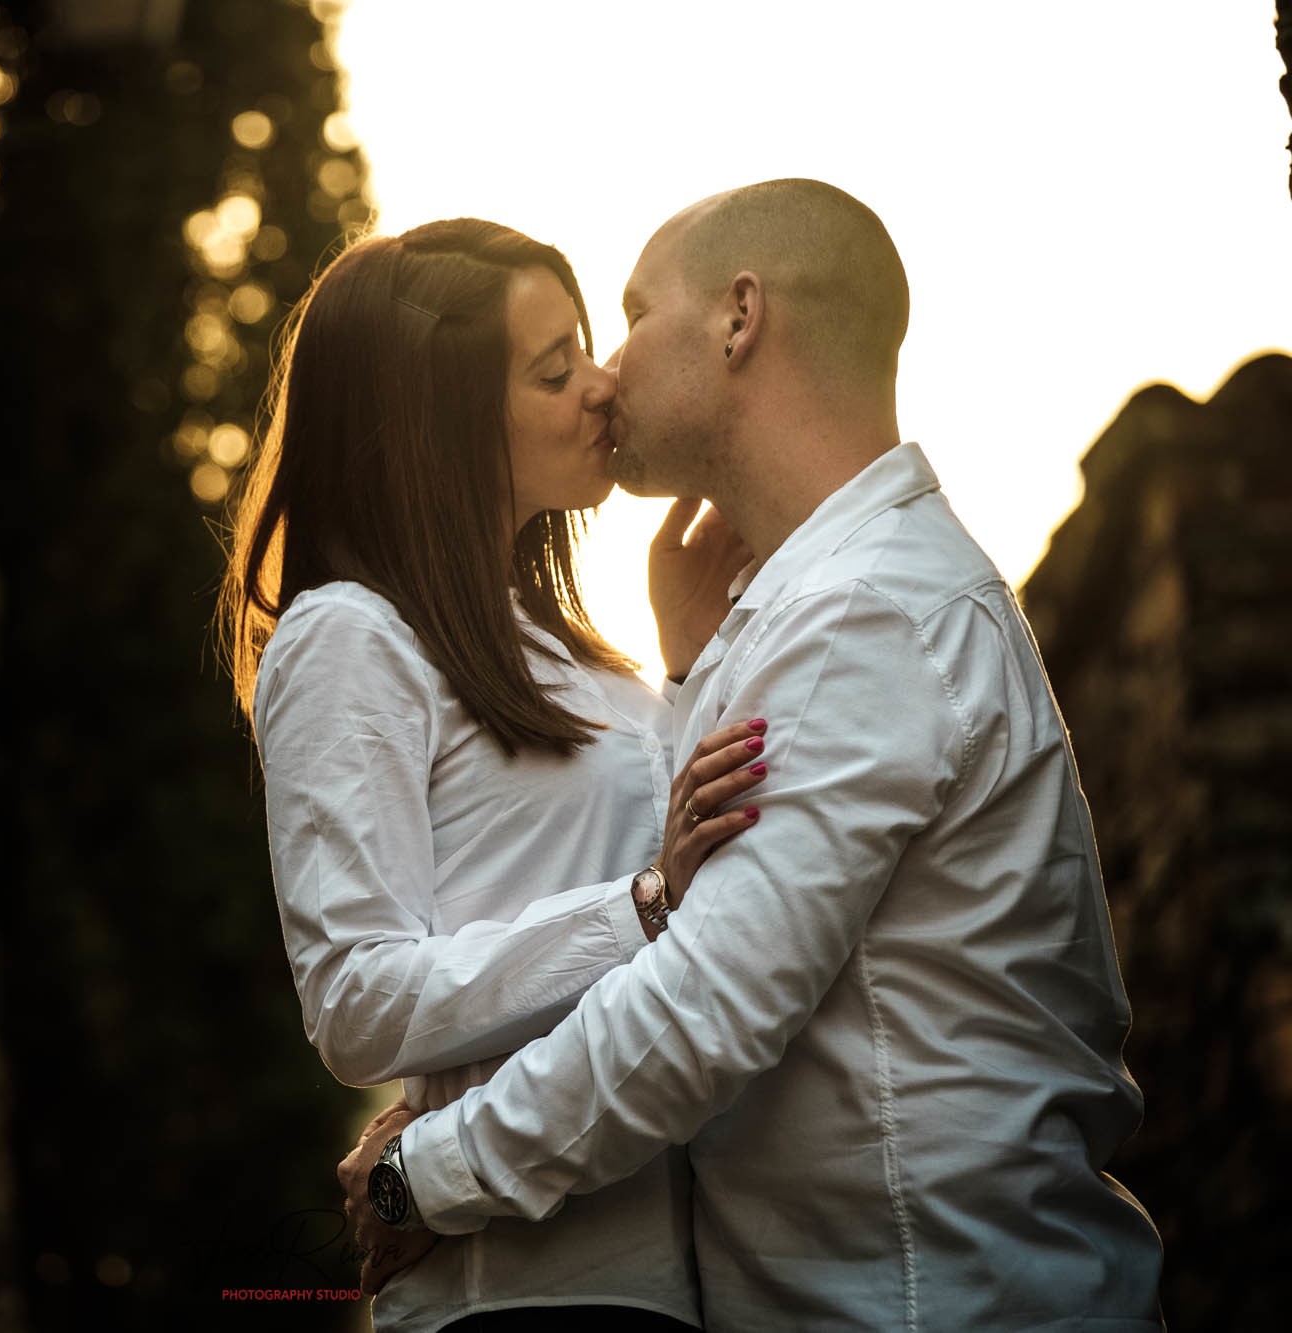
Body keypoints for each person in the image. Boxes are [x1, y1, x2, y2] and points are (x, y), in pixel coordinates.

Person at [337, 179, 1166, 1329]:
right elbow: (704, 903)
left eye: (630, 315)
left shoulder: (859, 613)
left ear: (737, 317)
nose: (608, 373)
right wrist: (686, 681)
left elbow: (700, 1009)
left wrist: (424, 1171)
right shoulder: (820, 610)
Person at [219, 218, 767, 1331]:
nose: (602, 387)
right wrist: (637, 908)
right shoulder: (351, 637)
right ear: (437, 419)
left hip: (683, 1276)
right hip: (516, 1292)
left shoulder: (569, 649)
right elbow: (354, 1001)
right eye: (555, 368)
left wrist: (678, 668)